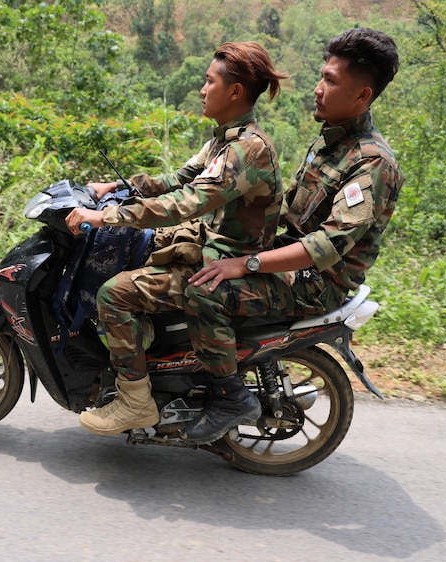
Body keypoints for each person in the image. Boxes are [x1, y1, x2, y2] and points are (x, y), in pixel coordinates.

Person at [179, 27, 404, 445]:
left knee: (204, 291)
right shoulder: (330, 141)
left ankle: (228, 398)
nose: (318, 89)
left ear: (362, 96)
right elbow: (288, 211)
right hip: (285, 258)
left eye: (331, 81)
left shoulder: (372, 163)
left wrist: (243, 263)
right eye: (322, 76)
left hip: (317, 284)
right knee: (184, 256)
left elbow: (327, 245)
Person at [64, 42, 288, 436]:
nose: (202, 89)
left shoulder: (246, 151)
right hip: (209, 249)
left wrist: (106, 217)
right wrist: (115, 185)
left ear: (235, 92)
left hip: (227, 265)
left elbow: (185, 203)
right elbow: (178, 180)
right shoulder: (224, 141)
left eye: (209, 81)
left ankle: (135, 401)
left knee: (114, 294)